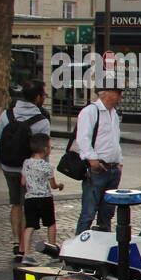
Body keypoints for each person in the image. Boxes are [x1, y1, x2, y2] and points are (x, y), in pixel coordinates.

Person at [0, 80, 50, 257]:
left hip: (9, 166)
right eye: (44, 95)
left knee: (15, 204)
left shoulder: (7, 114)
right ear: (38, 97)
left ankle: (16, 241)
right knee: (28, 205)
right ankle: (25, 245)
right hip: (30, 170)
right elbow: (43, 150)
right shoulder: (41, 121)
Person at [74, 85, 124, 233]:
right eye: (118, 92)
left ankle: (103, 244)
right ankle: (78, 246)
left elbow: (115, 139)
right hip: (97, 168)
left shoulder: (113, 113)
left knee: (107, 212)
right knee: (89, 212)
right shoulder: (90, 111)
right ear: (107, 93)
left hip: (113, 168)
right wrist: (92, 160)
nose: (120, 96)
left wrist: (119, 161)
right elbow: (83, 138)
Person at [18, 134, 63, 264]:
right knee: (50, 224)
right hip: (45, 198)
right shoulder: (47, 167)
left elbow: (22, 182)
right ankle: (53, 251)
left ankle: (26, 254)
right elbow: (53, 185)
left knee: (30, 226)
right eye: (50, 146)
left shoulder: (26, 163)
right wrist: (59, 186)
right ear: (45, 149)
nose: (51, 148)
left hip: (30, 198)